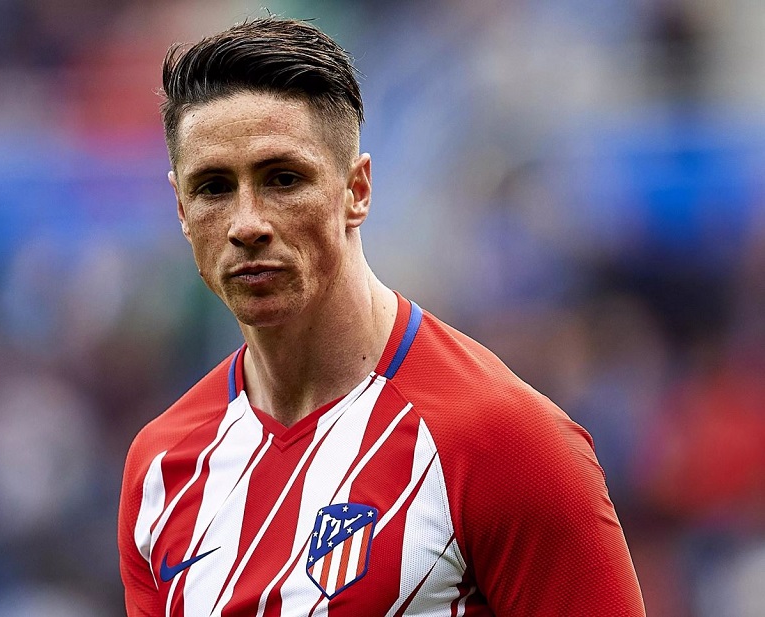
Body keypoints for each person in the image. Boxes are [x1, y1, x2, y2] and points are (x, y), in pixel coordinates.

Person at [118, 16, 645, 616]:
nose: (248, 224)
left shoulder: (507, 444)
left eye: (283, 179)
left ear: (357, 190)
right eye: (213, 188)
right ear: (181, 210)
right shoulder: (160, 469)